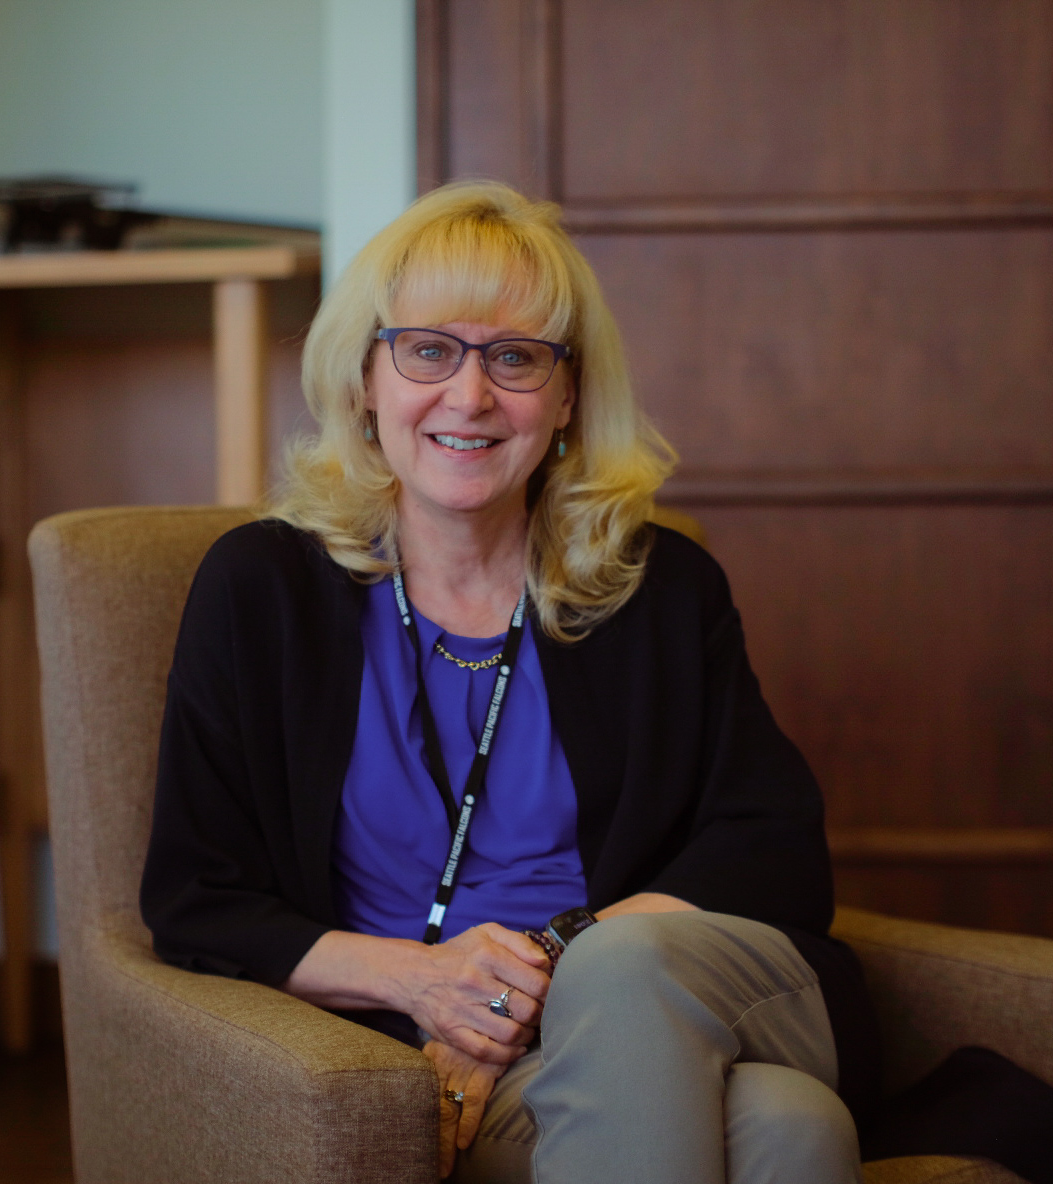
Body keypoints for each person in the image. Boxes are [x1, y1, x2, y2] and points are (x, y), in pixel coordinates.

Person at [140, 181, 878, 1183]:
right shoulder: (259, 589)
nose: (470, 395)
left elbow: (771, 850)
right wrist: (429, 984)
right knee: (789, 1129)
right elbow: (196, 897)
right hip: (463, 1052)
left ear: (568, 394)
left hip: (669, 988)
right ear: (365, 376)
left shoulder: (655, 585)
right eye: (428, 349)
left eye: (516, 357)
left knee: (617, 971)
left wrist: (536, 969)